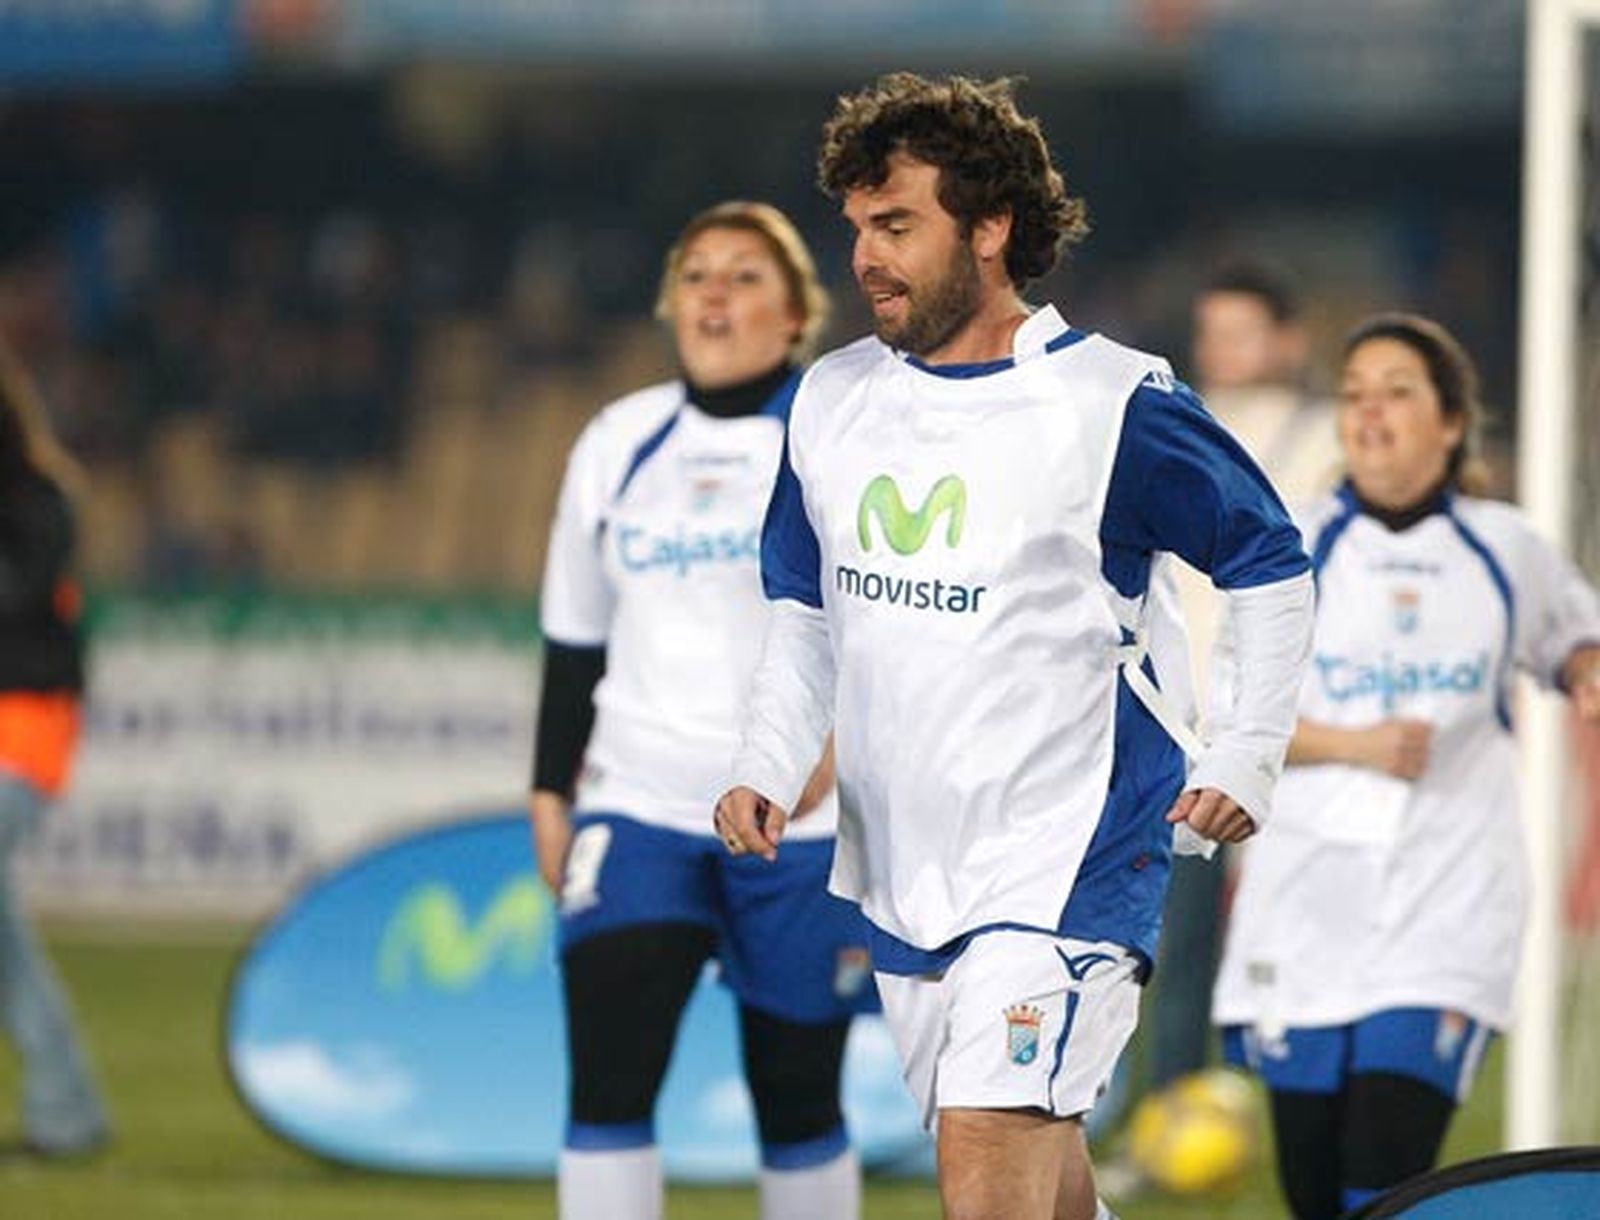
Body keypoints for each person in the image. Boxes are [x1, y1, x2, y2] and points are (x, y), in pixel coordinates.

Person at [714, 73, 1315, 1220]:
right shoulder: (830, 403)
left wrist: (1246, 753)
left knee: (984, 1179)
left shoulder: (1112, 405)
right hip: (902, 868)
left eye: (897, 226)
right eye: (856, 230)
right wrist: (765, 758)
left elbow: (1269, 563)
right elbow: (802, 610)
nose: (867, 259)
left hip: (1068, 862)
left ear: (990, 229)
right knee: (1041, 1186)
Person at [528, 201, 876, 1220]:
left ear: (795, 312)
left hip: (801, 821)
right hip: (635, 803)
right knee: (606, 1082)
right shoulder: (617, 440)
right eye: (695, 274)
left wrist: (837, 741)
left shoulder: (838, 435)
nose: (714, 293)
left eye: (744, 275)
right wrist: (551, 789)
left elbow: (891, 620)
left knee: (798, 1094)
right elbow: (572, 633)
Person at [1212, 313, 1600, 1219]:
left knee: (1384, 1174)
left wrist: (1583, 669)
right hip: (1305, 910)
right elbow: (1230, 720)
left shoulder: (1505, 549)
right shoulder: (1287, 543)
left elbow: (1575, 634)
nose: (1369, 414)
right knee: (1316, 1196)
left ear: (1451, 421)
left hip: (1446, 908)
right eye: (1353, 396)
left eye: (1396, 393)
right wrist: (1355, 745)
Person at [1148, 263, 1342, 1095]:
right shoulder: (1171, 426)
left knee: (1302, 926)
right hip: (1185, 722)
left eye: (1241, 330)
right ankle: (1173, 1101)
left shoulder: (1337, 439)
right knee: (1177, 935)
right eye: (1210, 331)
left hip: (1300, 720)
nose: (1220, 348)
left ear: (1288, 339)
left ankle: (1306, 1090)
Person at [0, 338, 110, 1157]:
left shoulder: (39, 501)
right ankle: (65, 1109)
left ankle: (67, 1106)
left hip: (23, 731)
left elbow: (20, 599)